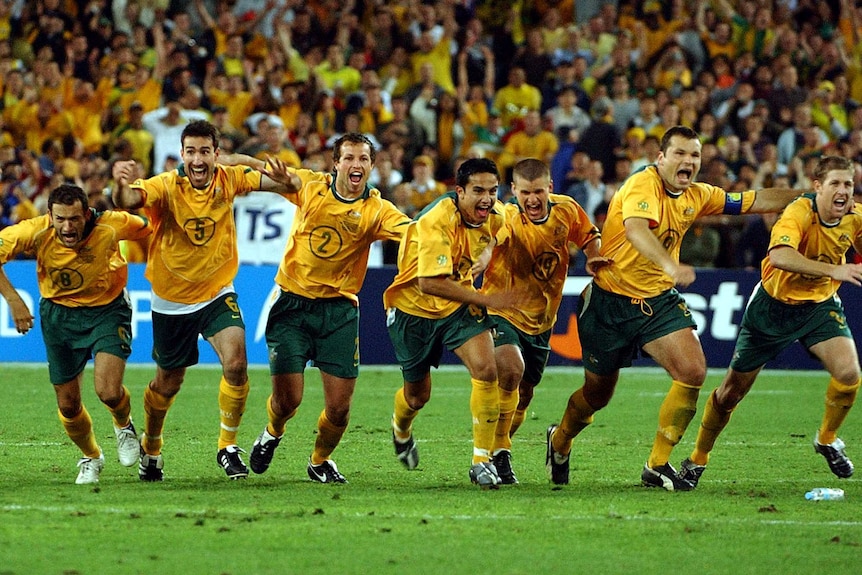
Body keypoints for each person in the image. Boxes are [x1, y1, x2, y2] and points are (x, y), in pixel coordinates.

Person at [545, 125, 802, 491]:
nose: (688, 161)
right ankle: (560, 439)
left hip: (659, 302)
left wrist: (810, 194)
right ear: (661, 158)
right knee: (597, 394)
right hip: (610, 303)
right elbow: (636, 229)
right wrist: (670, 264)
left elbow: (753, 199)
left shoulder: (698, 195)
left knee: (693, 371)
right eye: (680, 153)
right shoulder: (641, 186)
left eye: (694, 155)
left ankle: (657, 464)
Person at [111, 119, 295, 481]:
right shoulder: (166, 185)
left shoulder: (229, 179)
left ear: (216, 154)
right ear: (181, 154)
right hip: (171, 300)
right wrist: (119, 184)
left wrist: (269, 170)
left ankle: (227, 446)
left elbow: (283, 184)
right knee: (168, 383)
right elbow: (128, 199)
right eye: (191, 151)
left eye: (205, 152)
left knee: (237, 364)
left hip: (216, 291)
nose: (197, 160)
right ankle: (152, 446)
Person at [680, 155, 862, 488]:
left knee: (849, 373)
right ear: (818, 186)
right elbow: (780, 256)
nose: (843, 191)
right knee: (730, 394)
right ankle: (697, 459)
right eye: (835, 183)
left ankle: (827, 439)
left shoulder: (856, 217)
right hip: (772, 308)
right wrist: (835, 270)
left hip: (819, 307)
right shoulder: (798, 213)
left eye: (848, 184)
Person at [243, 133, 411, 484]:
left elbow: (415, 233)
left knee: (339, 408)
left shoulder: (377, 209)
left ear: (371, 165)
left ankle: (320, 461)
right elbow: (259, 171)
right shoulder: (309, 186)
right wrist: (220, 160)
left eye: (363, 159)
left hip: (339, 312)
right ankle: (272, 433)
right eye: (349, 158)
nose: (356, 165)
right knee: (288, 401)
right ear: (336, 163)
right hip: (292, 305)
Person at [0, 184, 151, 484]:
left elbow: (149, 227)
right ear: (50, 216)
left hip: (107, 310)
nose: (67, 228)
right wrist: (13, 300)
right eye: (60, 220)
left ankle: (124, 425)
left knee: (108, 390)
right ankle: (92, 456)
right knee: (68, 404)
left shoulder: (110, 224)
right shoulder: (33, 231)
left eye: (74, 219)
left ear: (86, 214)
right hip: (59, 315)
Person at [385, 157, 520, 489]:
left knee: (487, 368)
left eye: (492, 190)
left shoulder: (495, 213)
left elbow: (500, 231)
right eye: (478, 191)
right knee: (417, 396)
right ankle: (401, 429)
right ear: (459, 192)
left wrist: (487, 252)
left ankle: (481, 461)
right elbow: (428, 283)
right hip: (413, 309)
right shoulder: (436, 221)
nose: (487, 199)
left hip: (457, 307)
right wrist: (487, 300)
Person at [482, 158, 606, 484]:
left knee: (524, 394)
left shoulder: (566, 209)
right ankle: (500, 453)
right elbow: (491, 240)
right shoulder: (507, 216)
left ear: (550, 188)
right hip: (501, 310)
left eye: (538, 191)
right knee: (510, 369)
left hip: (541, 320)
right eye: (525, 193)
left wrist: (594, 256)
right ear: (514, 192)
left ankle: (495, 451)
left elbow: (589, 235)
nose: (532, 199)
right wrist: (480, 260)